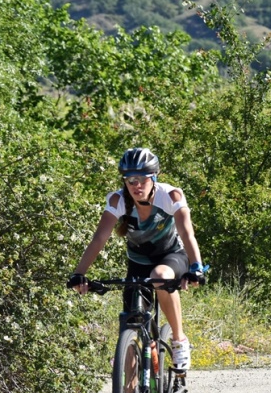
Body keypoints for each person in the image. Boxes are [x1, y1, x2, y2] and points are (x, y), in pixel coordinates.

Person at [67, 147, 206, 372]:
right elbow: (99, 238)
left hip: (171, 256)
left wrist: (196, 267)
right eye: (130, 180)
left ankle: (179, 340)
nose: (136, 185)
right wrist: (79, 273)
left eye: (142, 179)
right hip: (138, 263)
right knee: (129, 326)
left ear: (154, 178)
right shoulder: (117, 199)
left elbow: (187, 233)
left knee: (159, 277)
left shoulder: (170, 195)